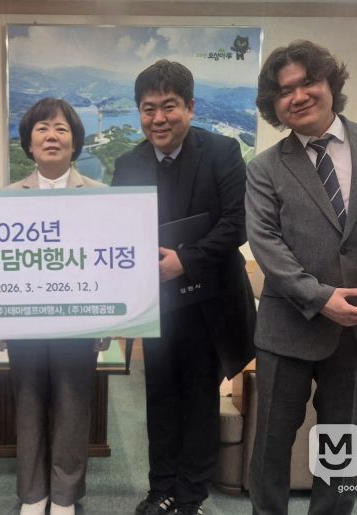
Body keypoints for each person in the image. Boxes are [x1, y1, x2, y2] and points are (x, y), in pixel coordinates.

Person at [245, 40, 357, 514]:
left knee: (340, 449)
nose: (298, 96)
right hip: (287, 328)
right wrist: (320, 297)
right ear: (273, 106)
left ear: (330, 82)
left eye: (308, 82)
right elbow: (266, 244)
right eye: (284, 91)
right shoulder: (265, 167)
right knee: (270, 447)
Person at [112, 60, 256, 515]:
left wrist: (185, 260)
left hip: (209, 302)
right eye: (148, 108)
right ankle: (161, 489)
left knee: (198, 398)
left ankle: (190, 496)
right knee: (159, 398)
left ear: (190, 107)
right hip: (156, 304)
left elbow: (238, 221)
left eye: (169, 106)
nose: (158, 118)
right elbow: (116, 232)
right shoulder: (128, 164)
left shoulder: (222, 152)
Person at [5, 97, 105, 515]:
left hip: (79, 325)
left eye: (61, 129)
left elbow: (111, 265)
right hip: (24, 325)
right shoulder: (6, 197)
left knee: (73, 408)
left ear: (75, 142)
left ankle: (64, 496)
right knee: (27, 406)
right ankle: (33, 494)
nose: (51, 136)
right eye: (42, 128)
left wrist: (107, 324)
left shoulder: (101, 196)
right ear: (29, 143)